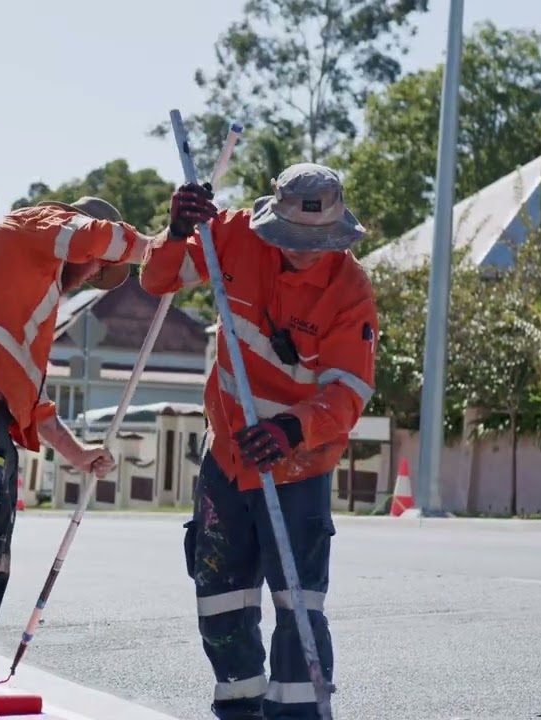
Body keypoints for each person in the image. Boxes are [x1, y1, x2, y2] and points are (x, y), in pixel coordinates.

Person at [0, 194, 204, 720]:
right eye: (99, 267)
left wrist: (78, 454)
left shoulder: (25, 298)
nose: (92, 275)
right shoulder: (32, 227)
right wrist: (158, 244)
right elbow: (90, 236)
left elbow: (30, 400)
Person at [139, 164, 378, 720]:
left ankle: (297, 713)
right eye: (295, 240)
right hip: (226, 452)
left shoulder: (349, 289)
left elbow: (348, 391)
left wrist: (292, 429)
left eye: (318, 242)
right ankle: (239, 706)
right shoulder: (235, 235)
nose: (305, 252)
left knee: (299, 605)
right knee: (219, 592)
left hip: (299, 464)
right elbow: (158, 281)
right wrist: (176, 232)